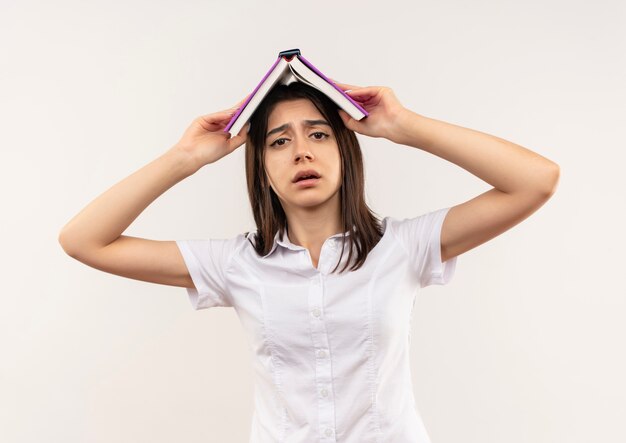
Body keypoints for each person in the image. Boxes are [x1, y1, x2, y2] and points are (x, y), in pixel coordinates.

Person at [58, 80, 560, 442]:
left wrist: (403, 125)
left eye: (318, 134)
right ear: (262, 170)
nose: (301, 152)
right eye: (279, 141)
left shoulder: (402, 247)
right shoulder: (237, 263)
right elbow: (84, 240)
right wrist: (186, 157)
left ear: (345, 151)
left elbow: (536, 180)